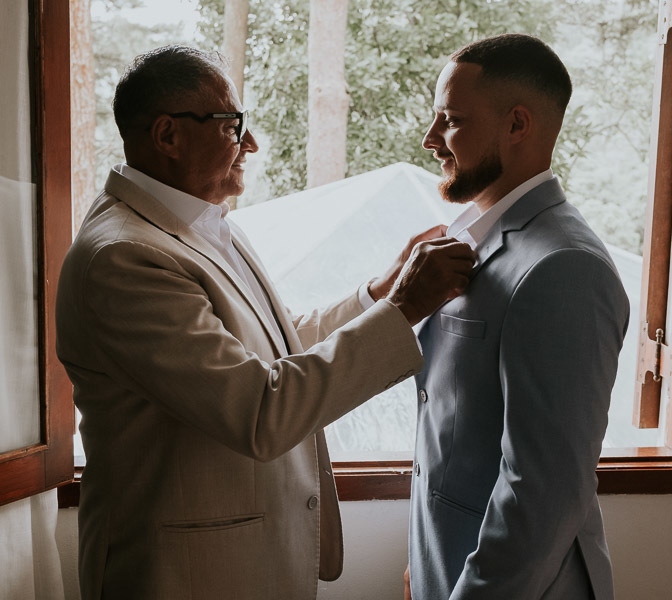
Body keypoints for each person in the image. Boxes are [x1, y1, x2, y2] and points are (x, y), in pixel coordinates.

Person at [55, 45, 475, 600]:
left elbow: (276, 346)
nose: (249, 142)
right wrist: (405, 310)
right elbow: (260, 410)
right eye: (232, 126)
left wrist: (379, 295)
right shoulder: (124, 258)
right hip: (185, 578)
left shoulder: (200, 223)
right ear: (168, 135)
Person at [405, 34, 630, 600]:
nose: (430, 138)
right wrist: (424, 563)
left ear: (517, 124)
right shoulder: (474, 239)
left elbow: (542, 493)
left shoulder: (565, 267)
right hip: (449, 568)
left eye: (451, 120)